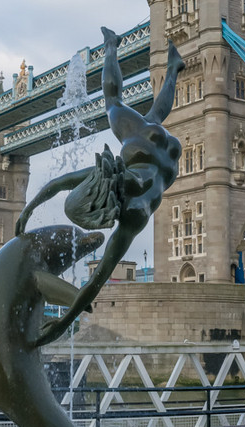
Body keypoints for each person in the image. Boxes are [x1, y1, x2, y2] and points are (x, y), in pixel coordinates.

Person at [16, 26, 184, 345]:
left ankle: (171, 66)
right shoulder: (113, 174)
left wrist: (64, 322)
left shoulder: (134, 216)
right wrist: (29, 209)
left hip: (170, 157)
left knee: (153, 115)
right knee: (114, 101)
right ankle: (112, 45)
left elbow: (95, 281)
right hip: (145, 147)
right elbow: (59, 183)